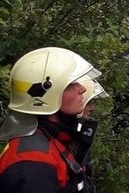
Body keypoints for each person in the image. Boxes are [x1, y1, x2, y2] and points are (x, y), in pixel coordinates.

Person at [0, 47, 103, 192]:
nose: (83, 89)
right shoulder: (34, 163)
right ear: (45, 95)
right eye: (71, 84)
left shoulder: (55, 139)